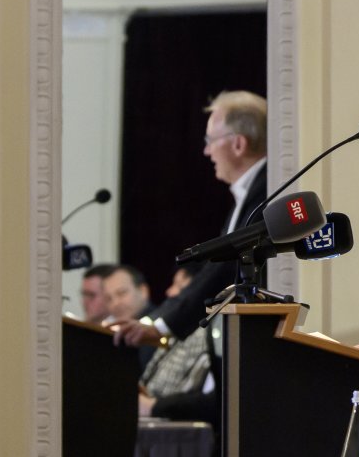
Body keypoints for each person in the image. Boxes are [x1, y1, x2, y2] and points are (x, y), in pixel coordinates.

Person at [115, 90, 268, 347]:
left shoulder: (264, 192)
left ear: (238, 144)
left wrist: (162, 325)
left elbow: (226, 269)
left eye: (210, 140)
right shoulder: (251, 191)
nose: (207, 151)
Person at [139, 264, 215, 418]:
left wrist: (151, 405)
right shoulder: (172, 330)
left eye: (179, 286)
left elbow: (173, 391)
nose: (170, 292)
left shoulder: (204, 333)